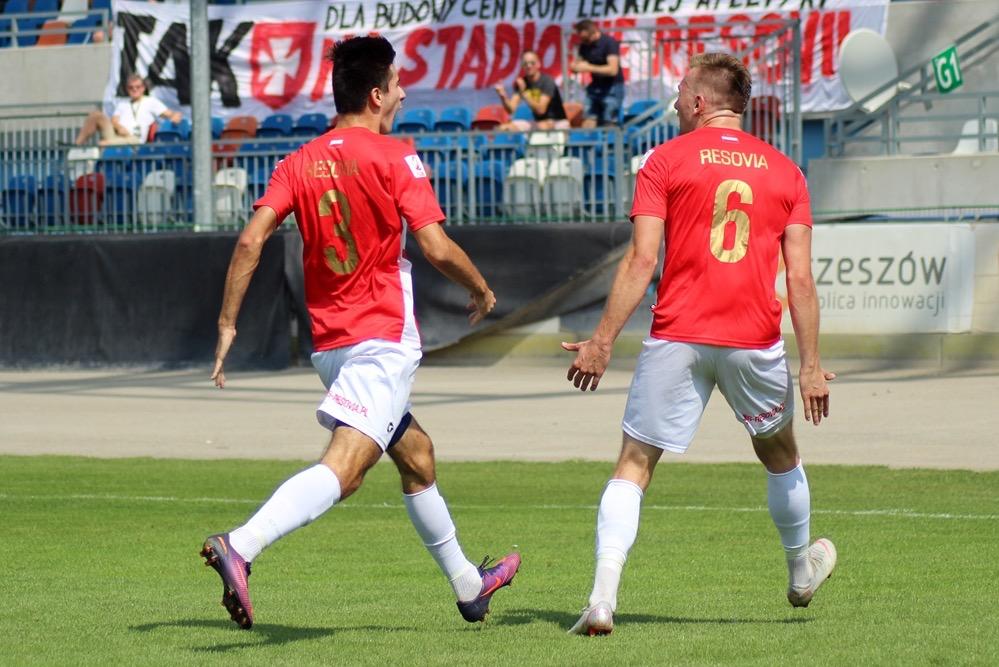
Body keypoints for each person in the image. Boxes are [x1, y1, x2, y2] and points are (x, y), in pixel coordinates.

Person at [200, 36, 519, 630]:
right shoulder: (396, 156)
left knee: (417, 456)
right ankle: (240, 545)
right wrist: (480, 287)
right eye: (396, 85)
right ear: (376, 95)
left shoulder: (297, 162)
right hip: (380, 338)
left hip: (331, 347)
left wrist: (226, 324)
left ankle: (470, 586)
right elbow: (434, 246)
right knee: (345, 470)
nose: (403, 94)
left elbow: (250, 240)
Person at [562, 53, 837, 636]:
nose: (675, 101)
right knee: (781, 456)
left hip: (678, 334)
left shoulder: (663, 160)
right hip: (753, 339)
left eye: (681, 91)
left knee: (634, 464)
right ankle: (799, 574)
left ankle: (602, 599)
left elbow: (642, 260)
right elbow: (801, 279)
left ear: (699, 102)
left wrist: (602, 342)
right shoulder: (787, 172)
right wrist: (811, 366)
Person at [73, 73, 183, 146]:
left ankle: (99, 169)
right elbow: (114, 120)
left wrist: (175, 117)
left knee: (103, 144)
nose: (134, 90)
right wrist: (119, 127)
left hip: (134, 139)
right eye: (131, 88)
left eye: (138, 87)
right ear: (127, 89)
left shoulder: (150, 101)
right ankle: (76, 146)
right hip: (118, 134)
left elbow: (170, 114)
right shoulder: (122, 103)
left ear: (143, 88)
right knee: (95, 115)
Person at [493, 51, 569, 131]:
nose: (529, 66)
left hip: (558, 122)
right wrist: (503, 96)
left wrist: (524, 92)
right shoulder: (523, 83)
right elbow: (511, 109)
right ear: (522, 66)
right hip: (539, 123)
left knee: (542, 126)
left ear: (538, 64)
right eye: (525, 63)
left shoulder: (547, 81)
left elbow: (541, 110)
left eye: (532, 63)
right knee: (505, 128)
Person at [571, 20, 625, 128]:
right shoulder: (585, 46)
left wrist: (588, 67)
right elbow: (578, 63)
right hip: (595, 87)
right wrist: (575, 67)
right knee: (588, 120)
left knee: (608, 122)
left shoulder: (609, 43)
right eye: (582, 39)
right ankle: (588, 139)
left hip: (612, 87)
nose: (584, 42)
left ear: (593, 32)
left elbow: (613, 70)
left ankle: (609, 138)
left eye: (586, 39)